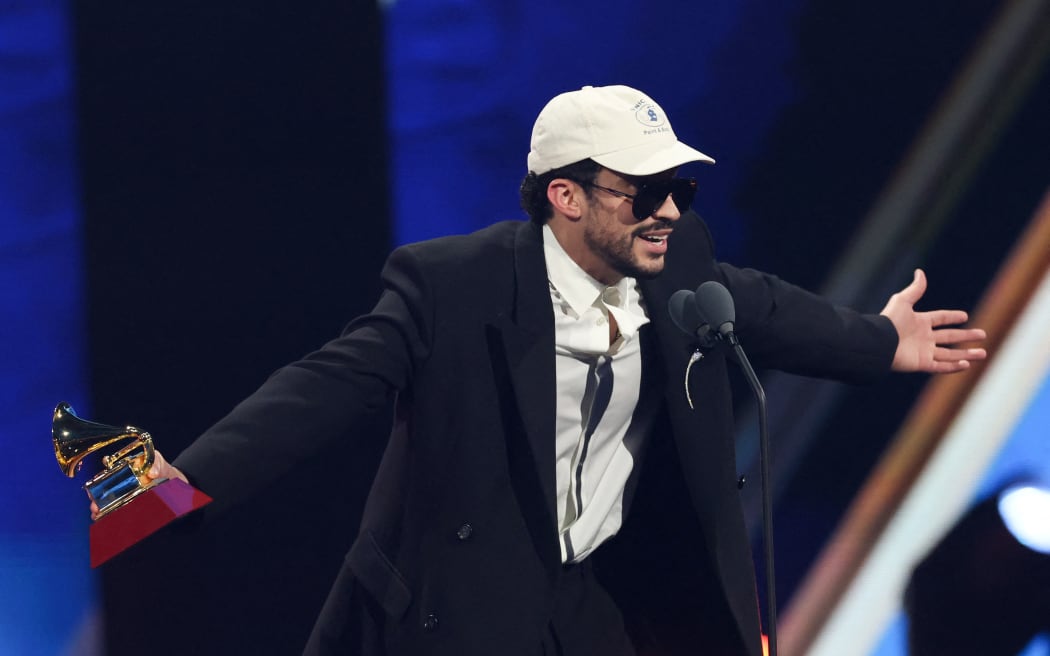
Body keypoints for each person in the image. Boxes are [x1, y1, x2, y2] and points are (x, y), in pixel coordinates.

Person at [104, 85, 986, 655]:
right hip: (462, 605)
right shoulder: (453, 285)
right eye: (643, 192)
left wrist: (879, 341)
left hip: (598, 603)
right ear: (564, 196)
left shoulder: (675, 262)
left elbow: (759, 306)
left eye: (680, 187)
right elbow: (320, 387)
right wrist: (174, 487)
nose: (670, 210)